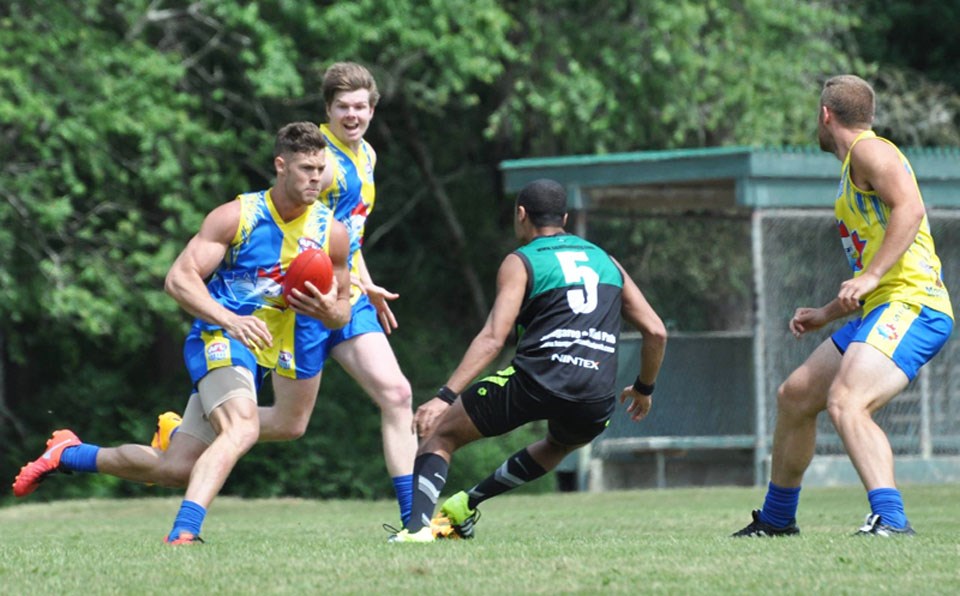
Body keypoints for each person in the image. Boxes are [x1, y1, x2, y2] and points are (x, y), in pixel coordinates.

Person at [12, 122, 353, 544]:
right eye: (306, 168)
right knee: (242, 428)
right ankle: (185, 534)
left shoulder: (331, 233)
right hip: (219, 338)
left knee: (176, 468)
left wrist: (329, 311)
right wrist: (229, 320)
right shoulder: (238, 216)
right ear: (280, 166)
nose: (315, 178)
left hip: (270, 347)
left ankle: (69, 453)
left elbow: (342, 310)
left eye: (321, 169)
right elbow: (179, 279)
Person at [151, 62, 419, 526]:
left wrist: (362, 281)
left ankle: (415, 520)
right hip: (297, 303)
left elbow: (345, 236)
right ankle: (192, 442)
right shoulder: (322, 161)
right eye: (342, 108)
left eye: (360, 106)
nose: (352, 116)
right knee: (278, 423)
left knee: (396, 394)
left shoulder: (367, 156)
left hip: (339, 292)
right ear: (327, 110)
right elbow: (305, 228)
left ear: (373, 108)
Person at [733, 75, 953, 538]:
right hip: (885, 306)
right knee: (795, 397)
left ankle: (890, 519)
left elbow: (910, 210)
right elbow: (875, 268)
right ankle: (776, 520)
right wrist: (826, 313)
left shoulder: (872, 151)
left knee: (848, 402)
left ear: (825, 115)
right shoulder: (857, 163)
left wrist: (871, 276)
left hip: (915, 304)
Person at [388, 178, 668, 543]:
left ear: (521, 215)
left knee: (442, 434)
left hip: (536, 380)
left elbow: (493, 337)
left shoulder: (521, 261)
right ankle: (467, 503)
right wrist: (644, 388)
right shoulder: (606, 260)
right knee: (559, 445)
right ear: (564, 217)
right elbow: (656, 331)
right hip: (595, 393)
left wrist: (445, 396)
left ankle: (416, 531)